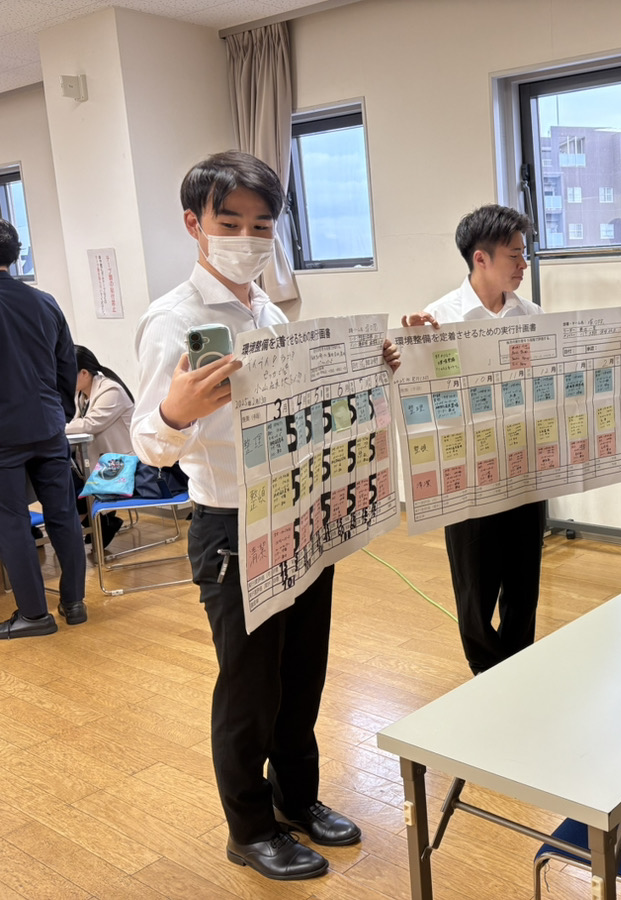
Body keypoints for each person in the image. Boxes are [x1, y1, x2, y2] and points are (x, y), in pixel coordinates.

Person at [130, 151, 401, 881]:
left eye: (261, 225)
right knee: (249, 689)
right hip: (231, 527)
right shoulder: (176, 321)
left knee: (302, 675)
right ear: (194, 224)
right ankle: (249, 829)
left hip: (300, 513)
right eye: (230, 223)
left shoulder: (267, 311)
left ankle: (297, 798)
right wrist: (174, 411)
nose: (247, 238)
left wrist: (366, 369)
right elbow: (148, 443)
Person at [402, 204, 621, 674]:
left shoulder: (530, 314)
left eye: (524, 253)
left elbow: (558, 376)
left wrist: (607, 347)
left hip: (525, 470)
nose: (523, 264)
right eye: (515, 255)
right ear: (481, 258)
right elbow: (419, 392)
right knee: (474, 588)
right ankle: (485, 670)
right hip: (470, 478)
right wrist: (413, 346)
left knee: (523, 582)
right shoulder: (438, 317)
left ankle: (517, 668)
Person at [0, 217, 88, 636]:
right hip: (49, 425)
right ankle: (74, 601)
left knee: (11, 520)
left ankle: (34, 615)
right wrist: (62, 412)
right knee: (63, 514)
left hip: (3, 435)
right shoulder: (45, 302)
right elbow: (67, 364)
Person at [67, 345, 136, 546]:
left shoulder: (110, 390)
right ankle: (97, 522)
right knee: (62, 472)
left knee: (67, 479)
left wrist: (53, 428)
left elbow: (89, 425)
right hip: (101, 462)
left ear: (84, 373)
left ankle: (99, 522)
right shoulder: (82, 395)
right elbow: (76, 425)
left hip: (123, 463)